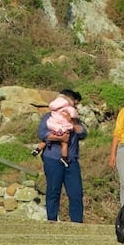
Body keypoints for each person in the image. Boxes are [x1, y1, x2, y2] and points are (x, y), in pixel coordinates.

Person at [37, 89, 88, 222]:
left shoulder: (74, 119)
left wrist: (73, 122)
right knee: (53, 191)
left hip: (72, 160)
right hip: (53, 158)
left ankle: (77, 223)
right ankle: (52, 220)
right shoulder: (49, 116)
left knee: (76, 193)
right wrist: (60, 138)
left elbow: (83, 134)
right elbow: (42, 134)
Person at [36, 95, 80, 161]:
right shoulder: (67, 108)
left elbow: (42, 134)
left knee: (46, 140)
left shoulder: (54, 110)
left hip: (53, 128)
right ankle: (64, 158)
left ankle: (37, 149)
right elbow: (74, 115)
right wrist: (74, 117)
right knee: (64, 144)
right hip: (63, 129)